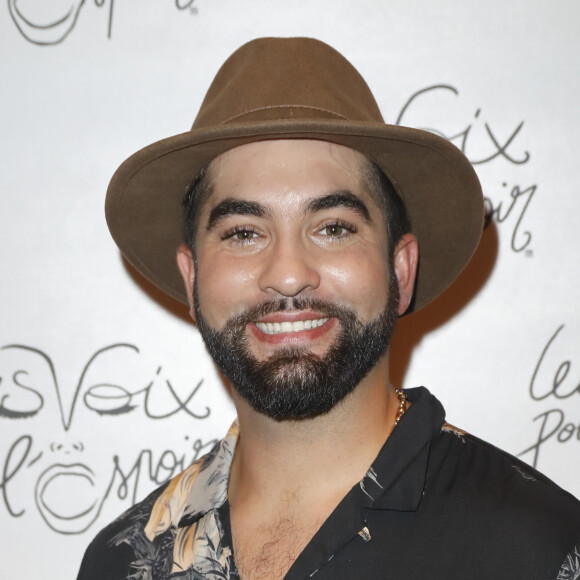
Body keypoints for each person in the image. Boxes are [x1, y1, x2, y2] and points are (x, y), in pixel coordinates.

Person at [77, 37, 580, 580]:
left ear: (401, 271)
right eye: (244, 232)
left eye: (334, 227)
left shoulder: (535, 547)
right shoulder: (123, 560)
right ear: (193, 277)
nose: (288, 273)